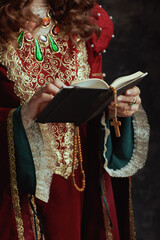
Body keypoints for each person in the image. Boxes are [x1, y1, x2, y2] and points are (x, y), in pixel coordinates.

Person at [0, 0, 149, 239]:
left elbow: (91, 104)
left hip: (79, 189)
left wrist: (114, 110)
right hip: (16, 196)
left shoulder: (88, 21)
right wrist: (23, 116)